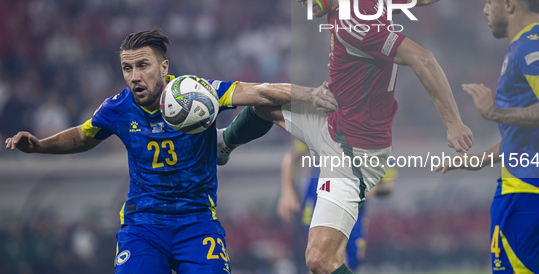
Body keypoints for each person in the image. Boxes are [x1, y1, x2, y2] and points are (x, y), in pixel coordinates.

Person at [217, 0, 499, 274]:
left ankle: (222, 143)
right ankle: (221, 144)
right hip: (332, 122)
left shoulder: (352, 21)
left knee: (321, 261)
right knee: (265, 99)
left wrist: (452, 122)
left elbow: (422, 57)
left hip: (352, 154)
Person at [4, 28, 336, 274]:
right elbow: (82, 136)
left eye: (143, 66)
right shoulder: (117, 108)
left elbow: (260, 92)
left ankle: (222, 142)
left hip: (197, 222)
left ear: (164, 68)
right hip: (143, 225)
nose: (134, 77)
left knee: (265, 106)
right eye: (127, 68)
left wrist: (312, 95)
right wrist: (39, 146)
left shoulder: (198, 91)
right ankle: (219, 143)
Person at [436, 0, 539, 273]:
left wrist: (492, 112)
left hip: (530, 191)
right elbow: (528, 135)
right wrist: (477, 160)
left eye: (488, 0)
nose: (485, 10)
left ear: (509, 4)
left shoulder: (532, 46)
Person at [277, 139, 395, 272]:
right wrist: (287, 191)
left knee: (347, 264)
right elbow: (292, 157)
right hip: (318, 205)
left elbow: (388, 185)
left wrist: (371, 189)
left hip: (354, 213)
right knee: (320, 259)